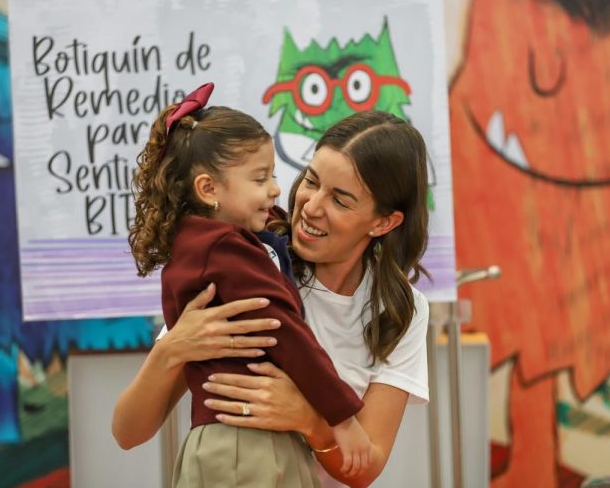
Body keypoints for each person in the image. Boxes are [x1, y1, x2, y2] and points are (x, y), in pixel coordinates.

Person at [113, 108, 430, 488]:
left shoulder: (401, 309)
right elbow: (128, 432)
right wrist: (172, 349)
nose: (311, 206)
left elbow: (365, 467)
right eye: (311, 180)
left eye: (340, 200)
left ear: (383, 222)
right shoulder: (251, 260)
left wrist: (310, 420)